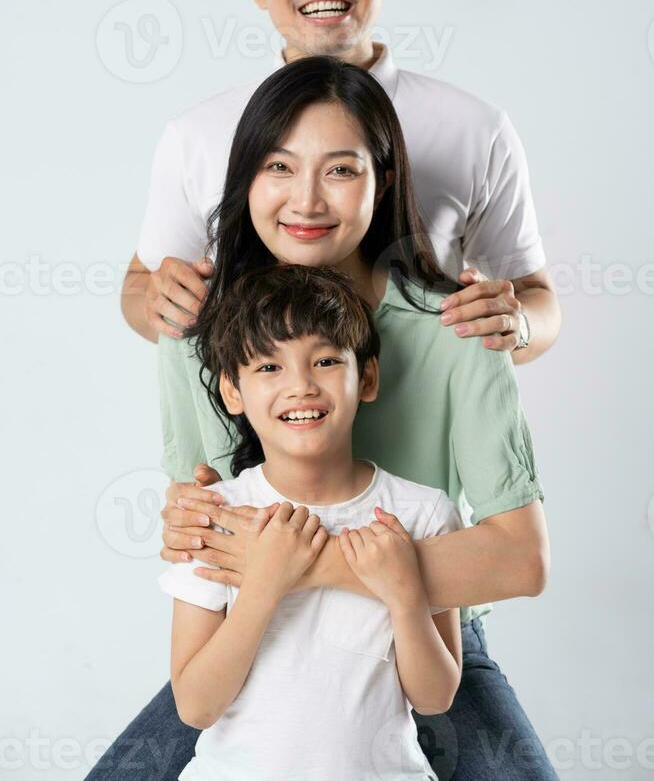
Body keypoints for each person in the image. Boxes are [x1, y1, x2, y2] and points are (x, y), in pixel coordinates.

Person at [87, 56, 556, 780]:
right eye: (279, 167)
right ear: (245, 181)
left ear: (384, 180)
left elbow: (519, 562)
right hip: (261, 633)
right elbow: (205, 527)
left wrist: (316, 563)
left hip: (426, 626)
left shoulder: (457, 329)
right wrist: (208, 534)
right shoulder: (196, 333)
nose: (306, 200)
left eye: (340, 170)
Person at [121, 0, 561, 364]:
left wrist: (518, 324)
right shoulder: (197, 132)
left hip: (427, 428)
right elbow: (139, 286)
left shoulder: (475, 127)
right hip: (265, 437)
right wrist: (155, 301)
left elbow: (536, 296)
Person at [159, 263, 464, 780]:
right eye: (268, 368)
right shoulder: (214, 516)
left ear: (365, 377)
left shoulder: (423, 513)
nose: (300, 386)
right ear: (233, 392)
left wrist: (405, 594)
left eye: (324, 361)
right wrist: (264, 584)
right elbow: (195, 707)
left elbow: (435, 698)